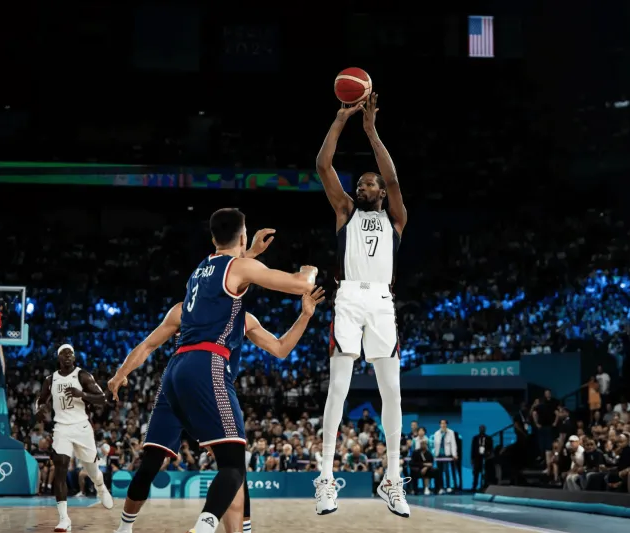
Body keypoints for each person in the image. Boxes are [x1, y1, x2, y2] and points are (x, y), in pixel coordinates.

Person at [107, 231, 324, 533]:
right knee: (229, 463)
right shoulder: (194, 311)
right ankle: (200, 526)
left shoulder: (227, 315)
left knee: (169, 462)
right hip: (205, 378)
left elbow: (280, 348)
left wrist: (305, 315)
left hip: (180, 381)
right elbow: (148, 345)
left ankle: (126, 528)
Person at [314, 92, 409, 517]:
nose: (362, 187)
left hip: (383, 301)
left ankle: (393, 479)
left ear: (381, 193)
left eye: (369, 183)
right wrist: (340, 120)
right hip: (349, 297)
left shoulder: (396, 218)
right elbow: (323, 166)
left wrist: (371, 132)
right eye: (361, 184)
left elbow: (394, 178)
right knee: (339, 387)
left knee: (393, 392)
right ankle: (325, 478)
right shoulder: (346, 212)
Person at [35, 344, 114, 532]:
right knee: (60, 468)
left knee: (92, 469)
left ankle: (100, 486)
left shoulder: (82, 376)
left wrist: (82, 394)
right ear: (59, 357)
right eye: (64, 353)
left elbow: (102, 399)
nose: (68, 356)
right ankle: (64, 518)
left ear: (74, 357)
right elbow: (41, 400)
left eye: (70, 353)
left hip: (82, 427)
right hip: (61, 428)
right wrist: (40, 409)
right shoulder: (50, 380)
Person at [470, 425, 492, 492]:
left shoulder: (488, 438)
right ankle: (474, 487)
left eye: (483, 429)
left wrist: (488, 454)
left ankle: (484, 486)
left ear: (485, 430)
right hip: (477, 458)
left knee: (485, 473)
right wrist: (472, 458)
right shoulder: (475, 438)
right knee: (476, 473)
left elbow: (491, 448)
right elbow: (473, 449)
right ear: (479, 429)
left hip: (485, 458)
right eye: (481, 428)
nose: (482, 430)